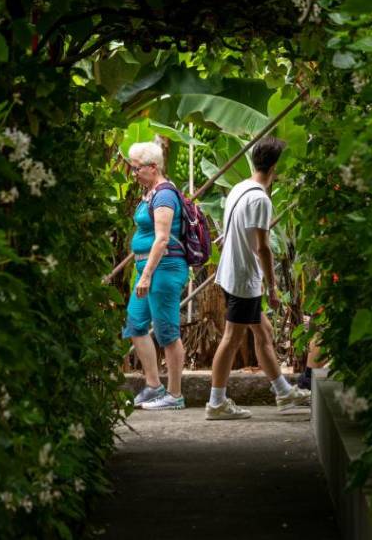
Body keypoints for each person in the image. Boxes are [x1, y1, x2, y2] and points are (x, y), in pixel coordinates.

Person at [205, 136, 311, 420]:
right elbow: (262, 247)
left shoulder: (240, 188)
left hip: (231, 273)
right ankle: (216, 402)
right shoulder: (260, 199)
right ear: (274, 166)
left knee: (262, 332)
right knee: (231, 338)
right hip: (243, 278)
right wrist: (272, 287)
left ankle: (283, 391)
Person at [122, 141, 189, 411]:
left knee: (167, 331)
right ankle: (153, 385)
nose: (133, 173)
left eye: (137, 168)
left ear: (153, 167)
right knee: (135, 324)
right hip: (146, 268)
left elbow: (161, 240)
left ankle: (175, 395)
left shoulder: (163, 195)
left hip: (163, 269)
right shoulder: (149, 193)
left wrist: (147, 274)